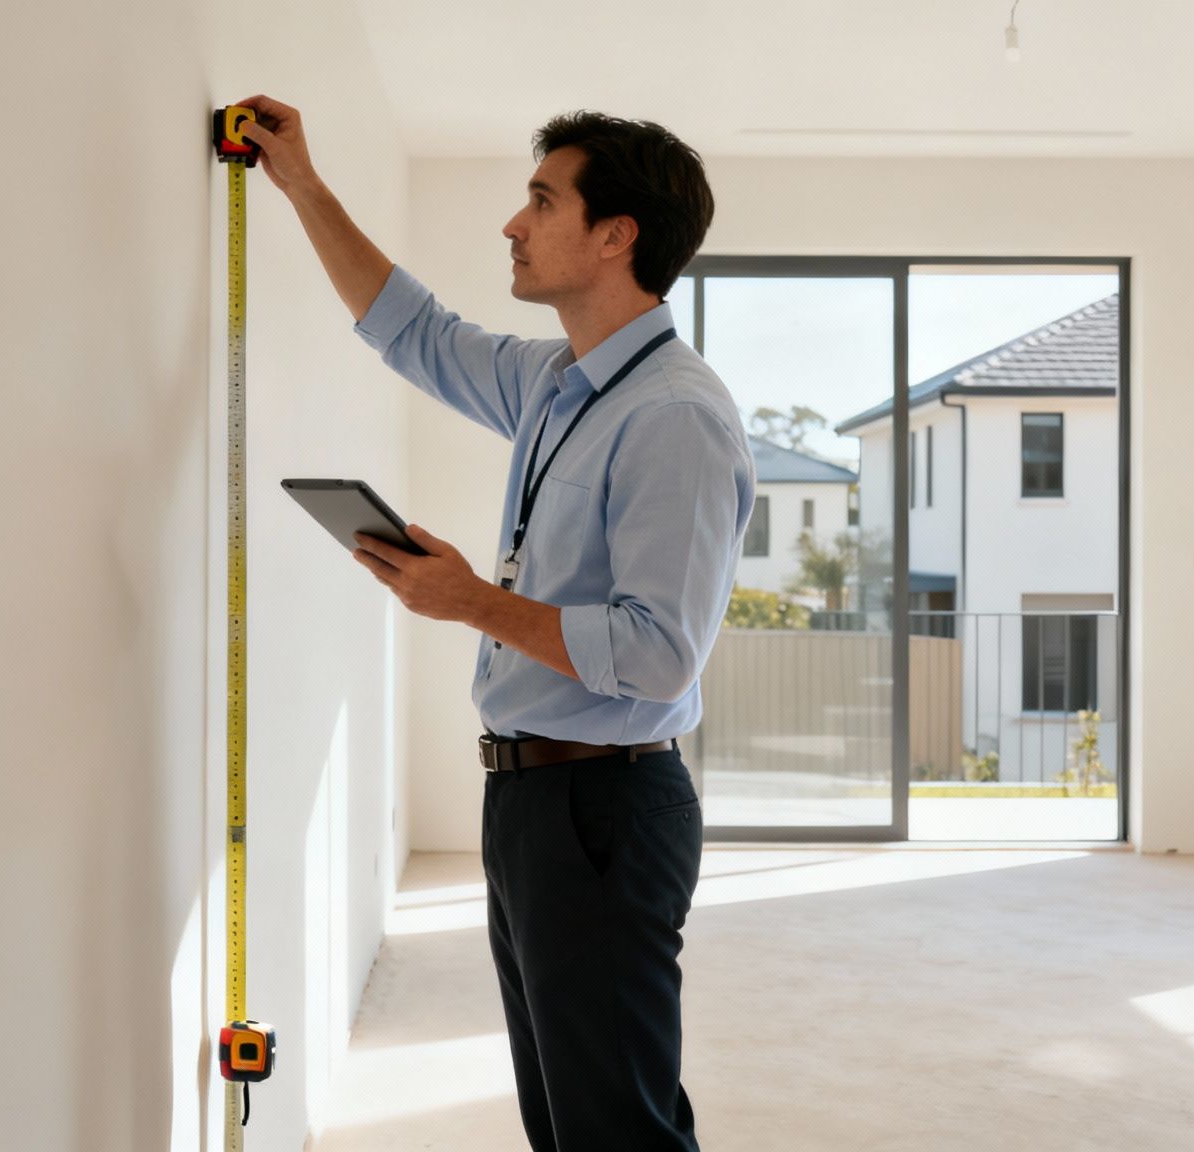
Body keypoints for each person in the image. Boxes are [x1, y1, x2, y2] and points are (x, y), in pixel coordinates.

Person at [239, 93, 752, 1152]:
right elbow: (413, 331)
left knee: (615, 1127)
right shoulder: (558, 384)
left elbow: (657, 655)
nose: (512, 226)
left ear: (614, 237)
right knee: (568, 1120)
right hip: (530, 796)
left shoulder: (674, 417)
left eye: (539, 200)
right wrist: (299, 182)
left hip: (602, 805)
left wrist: (468, 599)